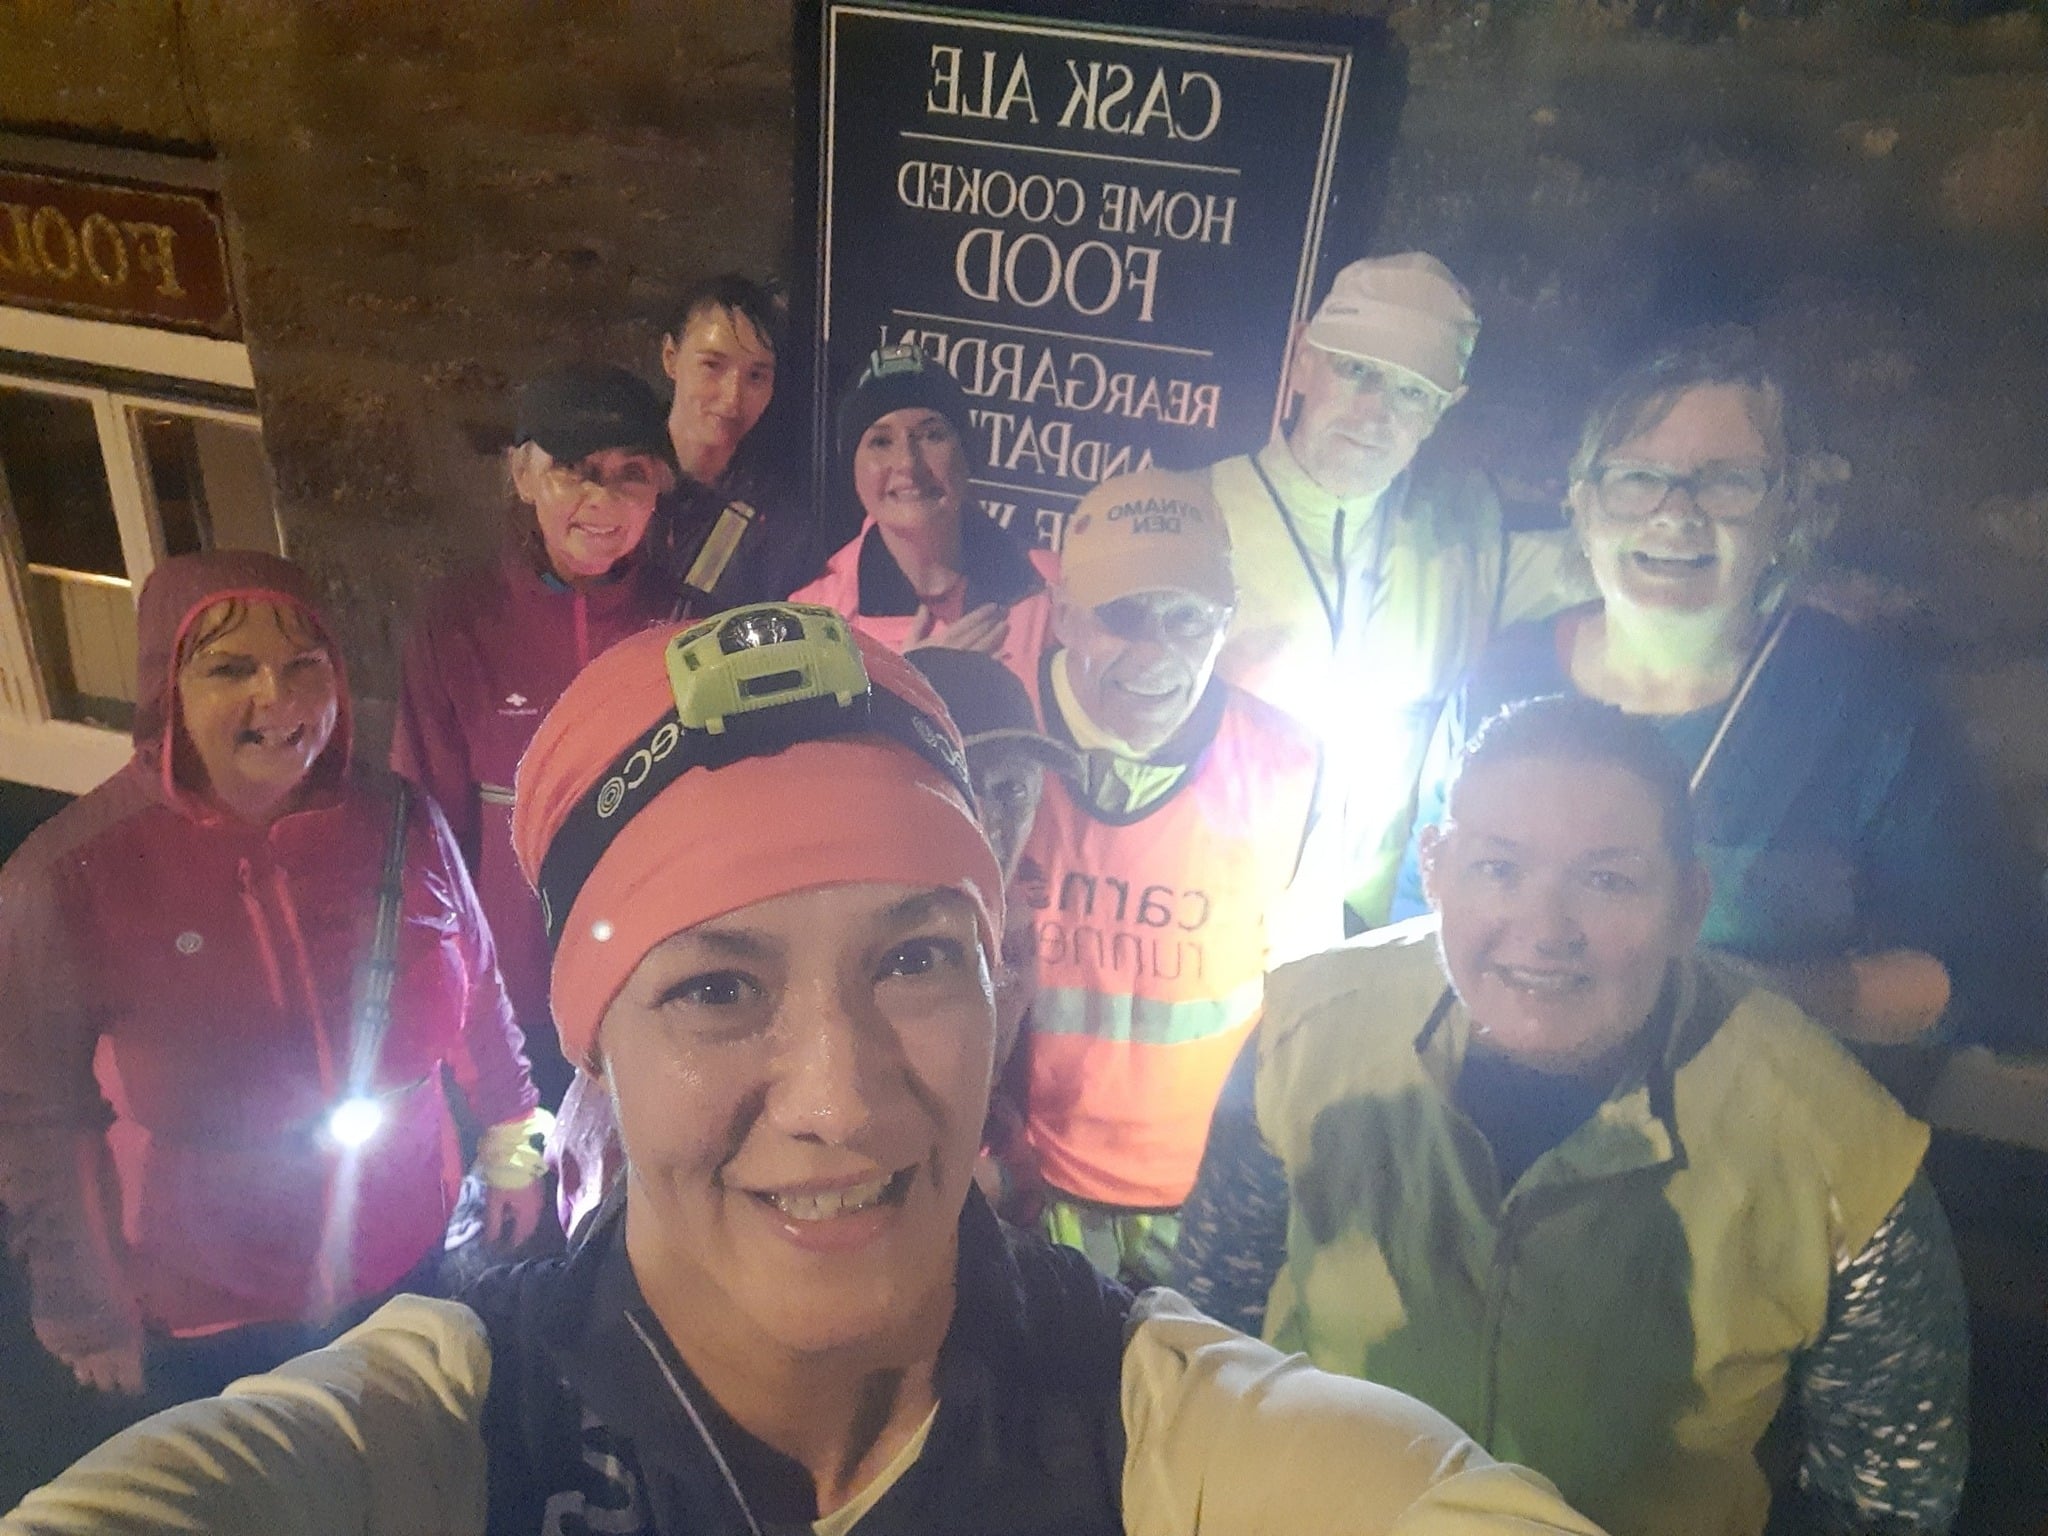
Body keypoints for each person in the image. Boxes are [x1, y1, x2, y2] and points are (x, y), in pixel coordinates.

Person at [3, 606, 1607, 1536]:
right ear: (598, 1047)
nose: (840, 1099)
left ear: (1001, 988)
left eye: (914, 961)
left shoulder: (1156, 1427)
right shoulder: (458, 1427)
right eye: (717, 988)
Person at [1173, 696, 1969, 1536]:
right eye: (1499, 868)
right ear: (1435, 868)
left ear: (1687, 905)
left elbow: (1891, 1492)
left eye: (1606, 880)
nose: (1546, 930)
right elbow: (1207, 1326)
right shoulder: (1308, 1035)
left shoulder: (1830, 1144)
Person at [1391, 331, 2042, 1057]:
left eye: (1726, 481)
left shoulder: (1860, 708)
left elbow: (1967, 969)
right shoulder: (1500, 680)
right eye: (1637, 477)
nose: (1676, 512)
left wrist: (1733, 998)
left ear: (1787, 513)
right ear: (1582, 504)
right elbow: (1419, 914)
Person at [0, 551, 544, 1417]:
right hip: (213, 1307)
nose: (279, 699)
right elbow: (37, 1117)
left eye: (304, 664)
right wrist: (82, 1306)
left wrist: (514, 1140)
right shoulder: (70, 875)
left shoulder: (398, 817)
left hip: (407, 1252)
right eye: (230, 669)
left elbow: (475, 981)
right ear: (167, 687)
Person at [548, 643, 1079, 1245]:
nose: (989, 821)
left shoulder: (1020, 932)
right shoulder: (707, 928)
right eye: (719, 992)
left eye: (1013, 792)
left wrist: (1004, 1180)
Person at [1006, 469, 1336, 1286]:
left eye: (1187, 617)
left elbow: (1310, 1006)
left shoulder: (1289, 764)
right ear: (1064, 614)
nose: (1155, 650)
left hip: (1208, 1198)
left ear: (1226, 620)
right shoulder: (992, 738)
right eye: (1123, 614)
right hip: (1020, 1182)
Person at [1204, 252, 1574, 925]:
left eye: (1411, 392)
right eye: (1357, 371)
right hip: (1199, 919)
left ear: (1443, 408)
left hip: (1372, 937)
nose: (1375, 413)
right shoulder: (1195, 518)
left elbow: (1617, 571)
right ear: (1302, 359)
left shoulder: (1468, 540)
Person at [393, 363, 681, 1104]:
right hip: (513, 1007)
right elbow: (426, 833)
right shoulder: (458, 625)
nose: (602, 501)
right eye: (575, 471)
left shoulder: (691, 624)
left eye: (630, 475)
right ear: (522, 475)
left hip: (655, 998)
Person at [792, 343, 1056, 682]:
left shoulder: (1051, 588)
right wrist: (904, 686)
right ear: (852, 467)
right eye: (881, 442)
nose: (908, 463)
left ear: (967, 453)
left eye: (932, 436)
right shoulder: (813, 620)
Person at [654, 273, 816, 607]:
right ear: (671, 357)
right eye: (712, 365)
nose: (732, 399)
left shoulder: (780, 522)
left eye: (756, 375)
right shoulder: (614, 478)